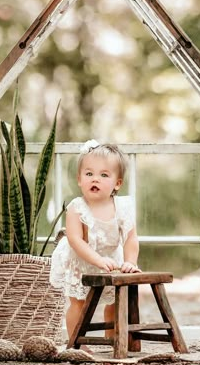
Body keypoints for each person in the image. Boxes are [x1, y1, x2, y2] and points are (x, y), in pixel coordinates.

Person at [50, 139, 141, 344]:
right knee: (78, 303)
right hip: (80, 259)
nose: (95, 179)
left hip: (111, 258)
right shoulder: (77, 207)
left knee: (115, 301)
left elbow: (130, 238)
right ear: (80, 179)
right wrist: (97, 260)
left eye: (104, 175)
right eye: (89, 174)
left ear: (117, 183)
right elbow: (75, 240)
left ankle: (113, 339)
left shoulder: (123, 206)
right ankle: (75, 342)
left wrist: (130, 262)